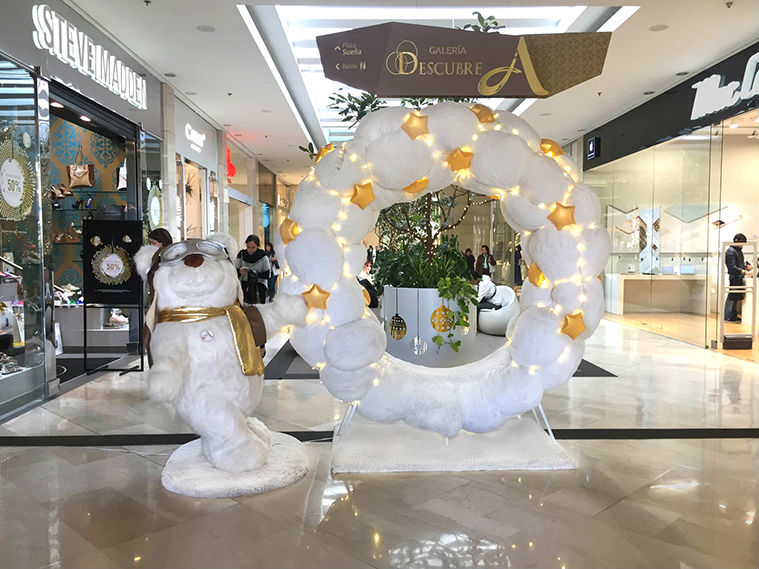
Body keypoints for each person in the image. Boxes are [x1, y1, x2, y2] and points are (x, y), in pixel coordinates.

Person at [725, 233, 753, 322]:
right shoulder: (731, 251)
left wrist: (746, 267)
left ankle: (732, 316)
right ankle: (728, 316)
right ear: (736, 240)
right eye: (742, 242)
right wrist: (744, 271)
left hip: (738, 277)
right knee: (732, 297)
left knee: (735, 297)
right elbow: (732, 266)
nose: (742, 245)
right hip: (734, 277)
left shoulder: (737, 251)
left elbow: (738, 264)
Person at [235, 235, 270, 305]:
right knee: (244, 307)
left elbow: (267, 275)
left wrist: (253, 273)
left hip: (259, 287)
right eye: (248, 247)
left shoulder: (263, 256)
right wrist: (240, 272)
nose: (250, 250)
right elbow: (235, 271)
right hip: (244, 286)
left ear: (258, 246)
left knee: (259, 308)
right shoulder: (241, 254)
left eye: (253, 247)